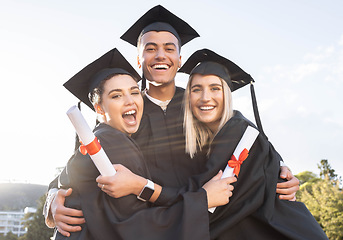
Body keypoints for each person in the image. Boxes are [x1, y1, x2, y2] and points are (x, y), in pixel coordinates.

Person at [44, 5, 299, 236]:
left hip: (211, 225)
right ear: (138, 60)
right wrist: (53, 198)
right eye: (150, 48)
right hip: (152, 227)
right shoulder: (124, 116)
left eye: (169, 48)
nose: (160, 55)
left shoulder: (202, 107)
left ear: (179, 60)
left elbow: (246, 143)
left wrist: (280, 170)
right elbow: (78, 168)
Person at [54, 47, 235, 240]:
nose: (129, 101)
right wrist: (202, 200)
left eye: (134, 92)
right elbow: (133, 226)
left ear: (179, 59)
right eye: (116, 95)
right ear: (98, 108)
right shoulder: (111, 142)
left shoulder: (193, 107)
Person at [178, 48, 328, 239]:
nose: (205, 97)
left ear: (227, 94)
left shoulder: (239, 131)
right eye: (196, 89)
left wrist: (150, 191)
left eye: (215, 88)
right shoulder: (209, 138)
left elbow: (208, 201)